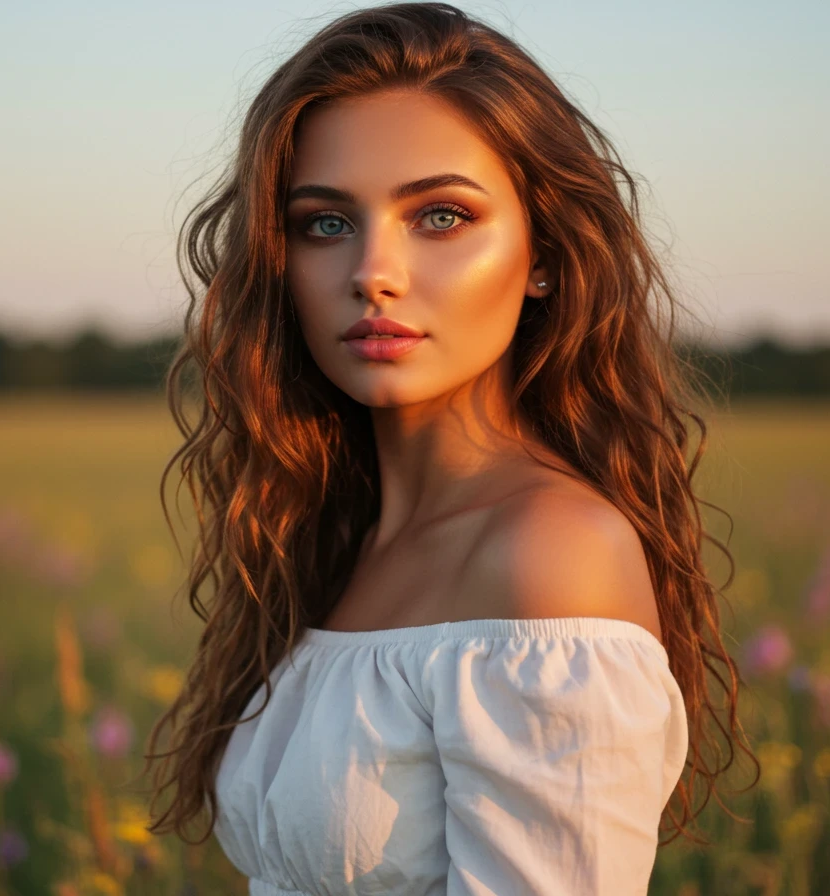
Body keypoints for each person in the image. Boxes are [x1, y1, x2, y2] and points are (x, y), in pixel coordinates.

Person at [139, 3, 758, 893]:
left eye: (439, 216)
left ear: (544, 253)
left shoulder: (551, 553)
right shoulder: (337, 538)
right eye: (324, 223)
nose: (372, 273)